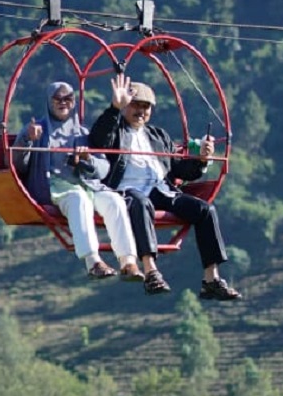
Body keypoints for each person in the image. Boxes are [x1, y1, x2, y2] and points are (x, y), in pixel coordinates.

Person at [88, 74, 241, 300]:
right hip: (128, 191)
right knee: (141, 203)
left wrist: (201, 160)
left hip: (161, 189)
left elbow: (178, 169)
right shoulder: (115, 130)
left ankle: (211, 278)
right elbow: (99, 140)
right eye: (135, 105)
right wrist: (113, 108)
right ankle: (150, 270)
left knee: (205, 210)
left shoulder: (158, 135)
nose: (141, 111)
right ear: (125, 106)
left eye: (146, 107)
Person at [13, 81, 145, 282]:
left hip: (87, 184)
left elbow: (103, 169)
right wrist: (28, 141)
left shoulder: (82, 134)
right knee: (78, 199)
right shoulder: (37, 130)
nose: (63, 103)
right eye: (57, 99)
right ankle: (93, 261)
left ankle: (128, 261)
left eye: (68, 98)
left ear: (74, 102)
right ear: (49, 102)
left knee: (115, 201)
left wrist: (87, 160)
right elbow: (18, 166)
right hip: (55, 186)